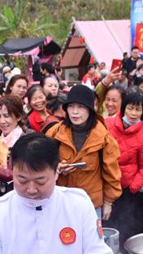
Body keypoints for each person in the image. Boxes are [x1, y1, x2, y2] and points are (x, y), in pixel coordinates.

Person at [45, 85, 122, 221]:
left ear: (90, 109)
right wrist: (57, 168)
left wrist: (109, 201)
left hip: (91, 203)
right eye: (71, 106)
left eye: (81, 107)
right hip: (61, 202)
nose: (75, 112)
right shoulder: (55, 133)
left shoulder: (104, 138)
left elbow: (112, 173)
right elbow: (43, 163)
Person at [103, 91, 143, 254]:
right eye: (130, 108)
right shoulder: (107, 124)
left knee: (127, 223)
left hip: (126, 188)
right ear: (123, 108)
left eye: (138, 110)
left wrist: (133, 186)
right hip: (105, 183)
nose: (133, 113)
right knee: (105, 223)